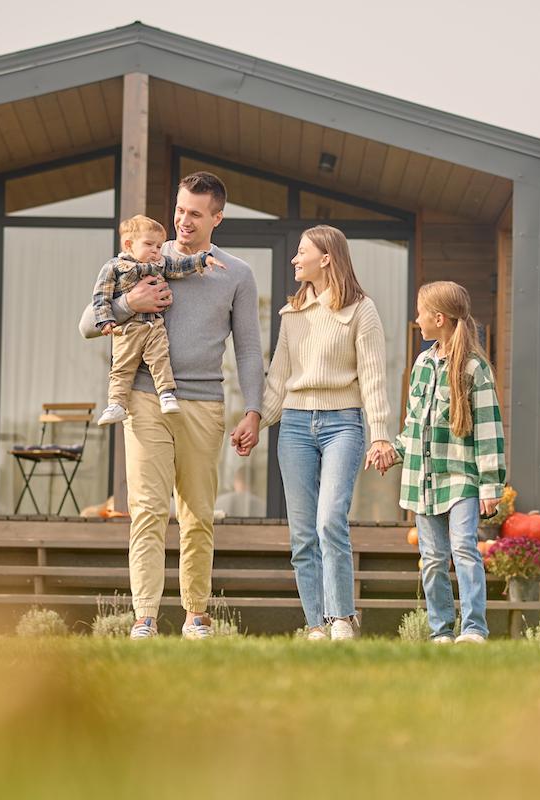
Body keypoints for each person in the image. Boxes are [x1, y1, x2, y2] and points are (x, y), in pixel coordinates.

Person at [78, 172, 263, 640]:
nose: (182, 220)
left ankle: (195, 614)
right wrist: (127, 303)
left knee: (198, 514)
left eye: (195, 214)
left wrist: (255, 410)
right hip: (143, 398)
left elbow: (246, 349)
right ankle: (144, 617)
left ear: (216, 218)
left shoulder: (236, 274)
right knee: (147, 510)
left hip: (203, 405)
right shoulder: (142, 262)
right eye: (179, 209)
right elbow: (86, 324)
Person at [243, 225, 396, 640]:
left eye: (301, 252)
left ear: (326, 257)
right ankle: (315, 623)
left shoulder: (360, 310)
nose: (294, 259)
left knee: (330, 520)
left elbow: (373, 377)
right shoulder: (292, 315)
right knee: (302, 533)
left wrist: (380, 433)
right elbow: (278, 378)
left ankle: (341, 617)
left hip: (342, 423)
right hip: (293, 426)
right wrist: (256, 418)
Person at [384, 280, 505, 644]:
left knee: (464, 549)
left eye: (421, 312)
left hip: (462, 478)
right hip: (424, 480)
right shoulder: (422, 364)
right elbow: (413, 424)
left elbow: (488, 430)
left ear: (439, 318)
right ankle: (441, 631)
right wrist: (393, 451)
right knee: (434, 558)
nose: (416, 319)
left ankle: (473, 628)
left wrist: (490, 485)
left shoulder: (474, 369)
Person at [92, 214, 222, 424]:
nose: (155, 250)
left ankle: (166, 394)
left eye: (159, 246)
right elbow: (101, 296)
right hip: (127, 330)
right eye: (149, 244)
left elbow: (180, 266)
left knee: (160, 359)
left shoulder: (160, 264)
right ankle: (116, 404)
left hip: (153, 326)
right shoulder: (114, 267)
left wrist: (202, 259)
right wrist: (106, 320)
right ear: (129, 244)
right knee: (121, 367)